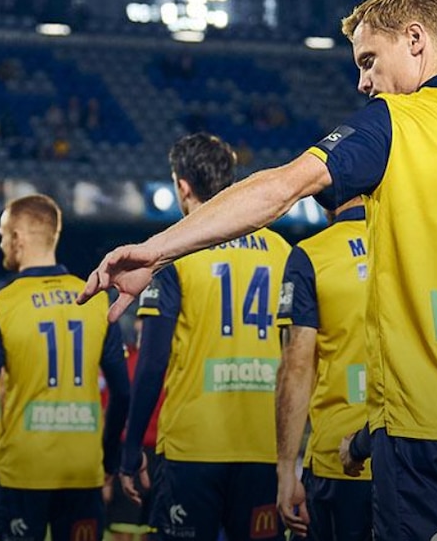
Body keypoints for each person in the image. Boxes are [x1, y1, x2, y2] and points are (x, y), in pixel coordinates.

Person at [78, 0, 437, 540]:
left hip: (424, 430)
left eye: (369, 60)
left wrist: (157, 251)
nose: (364, 82)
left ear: (415, 39)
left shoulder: (399, 124)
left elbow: (280, 189)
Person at [119, 133, 290, 541]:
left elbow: (152, 362)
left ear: (182, 186)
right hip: (265, 445)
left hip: (193, 448)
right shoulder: (283, 251)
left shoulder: (172, 254)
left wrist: (130, 453)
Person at [0, 194, 130, 540]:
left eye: (2, 234)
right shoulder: (96, 298)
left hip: (24, 472)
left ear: (18, 238)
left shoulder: (1, 305)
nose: (0, 243)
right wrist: (109, 460)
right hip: (84, 471)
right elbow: (122, 392)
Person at [274, 195, 372, 541]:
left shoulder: (313, 255)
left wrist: (287, 470)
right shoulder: (413, 247)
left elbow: (297, 367)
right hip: (411, 461)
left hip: (338, 464)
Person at [105, 318, 163, 541]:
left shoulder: (169, 359)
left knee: (155, 527)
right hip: (128, 449)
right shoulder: (123, 361)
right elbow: (109, 407)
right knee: (123, 525)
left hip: (160, 451)